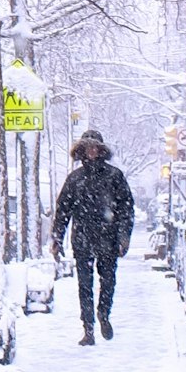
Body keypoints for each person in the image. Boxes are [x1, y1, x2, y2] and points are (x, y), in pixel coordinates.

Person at [50, 129, 134, 345]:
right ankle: (88, 329)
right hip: (83, 241)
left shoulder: (114, 176)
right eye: (87, 147)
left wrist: (124, 237)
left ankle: (103, 314)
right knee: (84, 286)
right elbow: (63, 211)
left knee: (108, 281)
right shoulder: (75, 179)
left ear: (101, 150)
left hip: (108, 239)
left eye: (95, 147)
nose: (92, 151)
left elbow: (126, 208)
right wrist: (57, 239)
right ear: (82, 151)